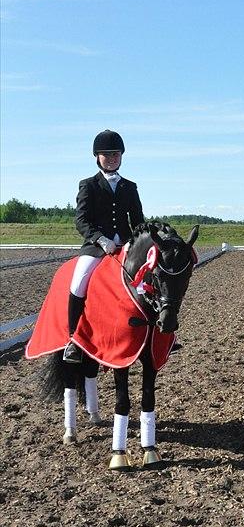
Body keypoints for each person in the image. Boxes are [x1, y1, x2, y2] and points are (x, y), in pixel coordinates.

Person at [63, 130, 145, 363]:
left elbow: (137, 220)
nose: (111, 158)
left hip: (127, 246)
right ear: (97, 156)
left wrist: (136, 240)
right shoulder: (88, 185)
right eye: (106, 154)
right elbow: (81, 220)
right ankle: (73, 340)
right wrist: (100, 239)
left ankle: (159, 334)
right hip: (97, 247)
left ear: (121, 156)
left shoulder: (130, 186)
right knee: (79, 281)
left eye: (115, 154)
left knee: (151, 281)